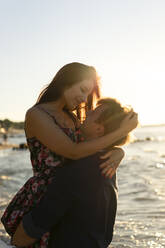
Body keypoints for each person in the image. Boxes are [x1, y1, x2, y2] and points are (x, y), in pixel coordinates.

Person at [1, 62, 138, 247]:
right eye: (82, 90)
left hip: (73, 191)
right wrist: (121, 132)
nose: (83, 99)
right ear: (66, 81)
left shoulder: (72, 117)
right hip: (47, 192)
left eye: (87, 94)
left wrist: (118, 151)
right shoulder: (37, 114)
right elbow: (73, 152)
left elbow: (91, 142)